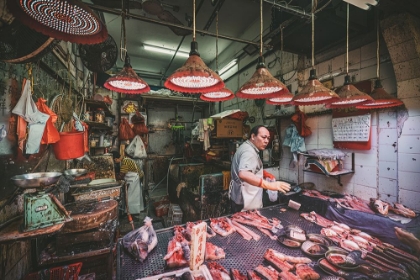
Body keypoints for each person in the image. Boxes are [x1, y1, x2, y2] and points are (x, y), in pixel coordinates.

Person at [230, 125, 291, 212]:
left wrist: (264, 173)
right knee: (246, 224)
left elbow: (250, 168)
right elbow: (243, 173)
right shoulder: (249, 152)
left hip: (241, 197)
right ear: (253, 136)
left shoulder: (247, 147)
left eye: (268, 138)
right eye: (263, 137)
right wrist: (270, 185)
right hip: (245, 200)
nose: (266, 141)